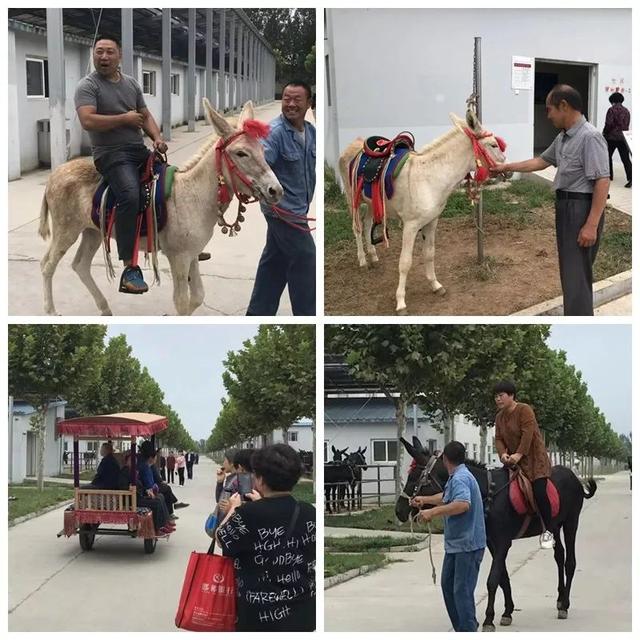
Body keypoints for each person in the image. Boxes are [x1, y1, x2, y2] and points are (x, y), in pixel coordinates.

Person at [490, 84, 610, 316]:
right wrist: (505, 167)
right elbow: (541, 161)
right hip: (566, 207)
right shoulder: (564, 137)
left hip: (581, 209)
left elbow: (602, 181)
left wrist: (591, 224)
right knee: (572, 273)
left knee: (576, 276)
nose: (548, 115)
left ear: (563, 106)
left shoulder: (590, 137)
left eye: (549, 109)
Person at [216, 444, 315, 631]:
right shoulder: (309, 512)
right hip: (304, 614)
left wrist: (233, 510)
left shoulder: (248, 513)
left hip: (258, 616)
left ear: (259, 479)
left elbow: (221, 538)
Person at [246, 80, 316, 316]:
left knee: (274, 265)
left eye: (297, 99)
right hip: (283, 212)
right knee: (306, 259)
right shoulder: (274, 134)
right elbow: (258, 167)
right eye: (286, 99)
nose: (291, 104)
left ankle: (257, 314)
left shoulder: (311, 132)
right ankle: (308, 316)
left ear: (309, 104)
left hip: (299, 208)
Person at [411, 441, 486, 633]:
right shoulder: (458, 476)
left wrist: (432, 513)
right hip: (457, 545)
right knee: (448, 587)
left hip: (467, 546)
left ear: (445, 459)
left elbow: (462, 504)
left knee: (461, 592)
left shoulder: (460, 478)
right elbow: (447, 496)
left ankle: (467, 630)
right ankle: (462, 628)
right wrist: (426, 500)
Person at [493, 380, 554, 549]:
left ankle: (548, 530)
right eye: (496, 396)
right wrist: (503, 454)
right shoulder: (499, 417)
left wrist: (519, 454)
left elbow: (528, 435)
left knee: (539, 491)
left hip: (534, 460)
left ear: (511, 396)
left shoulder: (525, 410)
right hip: (513, 460)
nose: (498, 399)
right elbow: (498, 438)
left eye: (501, 395)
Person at [119, 452, 173, 534]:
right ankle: (158, 528)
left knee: (160, 496)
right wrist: (132, 488)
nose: (134, 462)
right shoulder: (125, 472)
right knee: (157, 502)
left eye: (135, 461)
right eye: (132, 461)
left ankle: (164, 523)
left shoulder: (133, 471)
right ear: (127, 462)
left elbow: (139, 486)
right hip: (132, 500)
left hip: (138, 496)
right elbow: (123, 486)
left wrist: (147, 491)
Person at [603, 92, 632, 188]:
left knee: (607, 156)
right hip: (623, 137)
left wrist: (604, 133)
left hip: (611, 137)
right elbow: (626, 124)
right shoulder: (627, 111)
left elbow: (609, 123)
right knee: (626, 159)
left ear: (612, 100)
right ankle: (631, 178)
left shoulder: (611, 110)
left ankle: (609, 175)